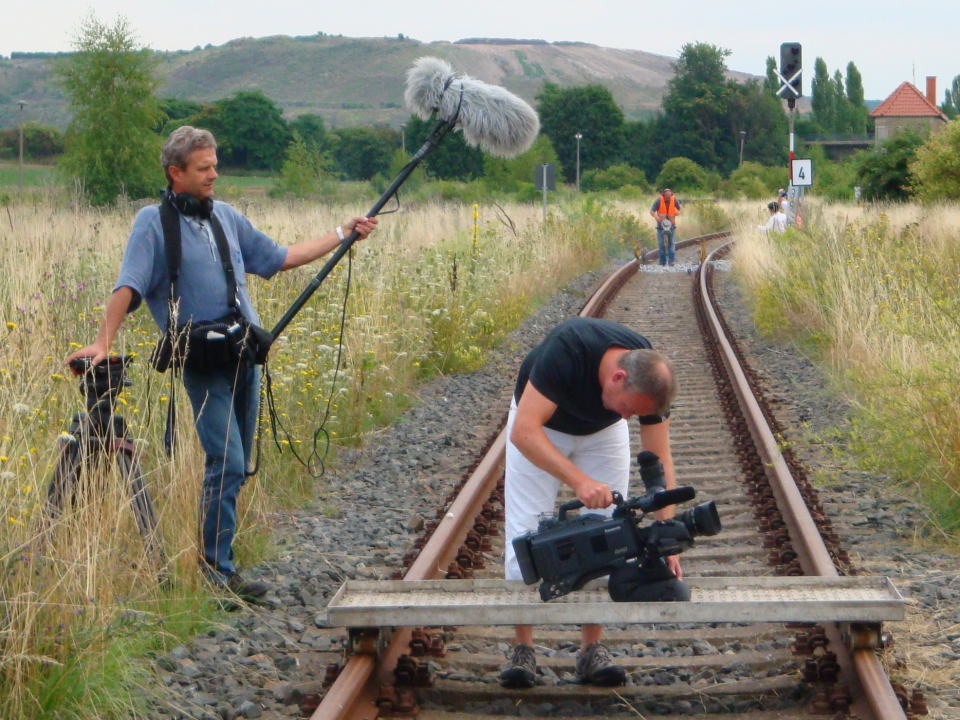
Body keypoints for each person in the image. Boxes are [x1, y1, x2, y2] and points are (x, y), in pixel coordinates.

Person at [65, 126, 377, 601]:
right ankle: (217, 574)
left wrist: (343, 234)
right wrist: (102, 342)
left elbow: (280, 258)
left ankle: (220, 561)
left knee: (238, 463)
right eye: (204, 167)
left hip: (245, 356)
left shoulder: (226, 217)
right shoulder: (152, 223)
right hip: (203, 363)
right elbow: (128, 285)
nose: (215, 174)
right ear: (176, 173)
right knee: (227, 461)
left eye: (214, 164)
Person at [500, 317, 680, 688]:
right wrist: (578, 481)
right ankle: (523, 650)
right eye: (629, 409)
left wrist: (667, 533)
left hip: (600, 433)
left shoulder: (646, 376)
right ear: (617, 378)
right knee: (525, 535)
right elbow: (524, 431)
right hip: (540, 428)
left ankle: (591, 651)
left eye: (636, 413)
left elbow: (658, 457)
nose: (630, 417)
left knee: (611, 536)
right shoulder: (567, 349)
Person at [649, 189, 682, 266]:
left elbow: (680, 209)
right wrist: (656, 217)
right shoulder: (659, 200)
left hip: (672, 226)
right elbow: (652, 211)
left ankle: (671, 261)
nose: (668, 198)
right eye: (666, 197)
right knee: (661, 243)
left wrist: (678, 213)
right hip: (660, 226)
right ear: (663, 195)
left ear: (671, 195)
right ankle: (662, 261)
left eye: (669, 197)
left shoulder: (674, 200)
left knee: (671, 243)